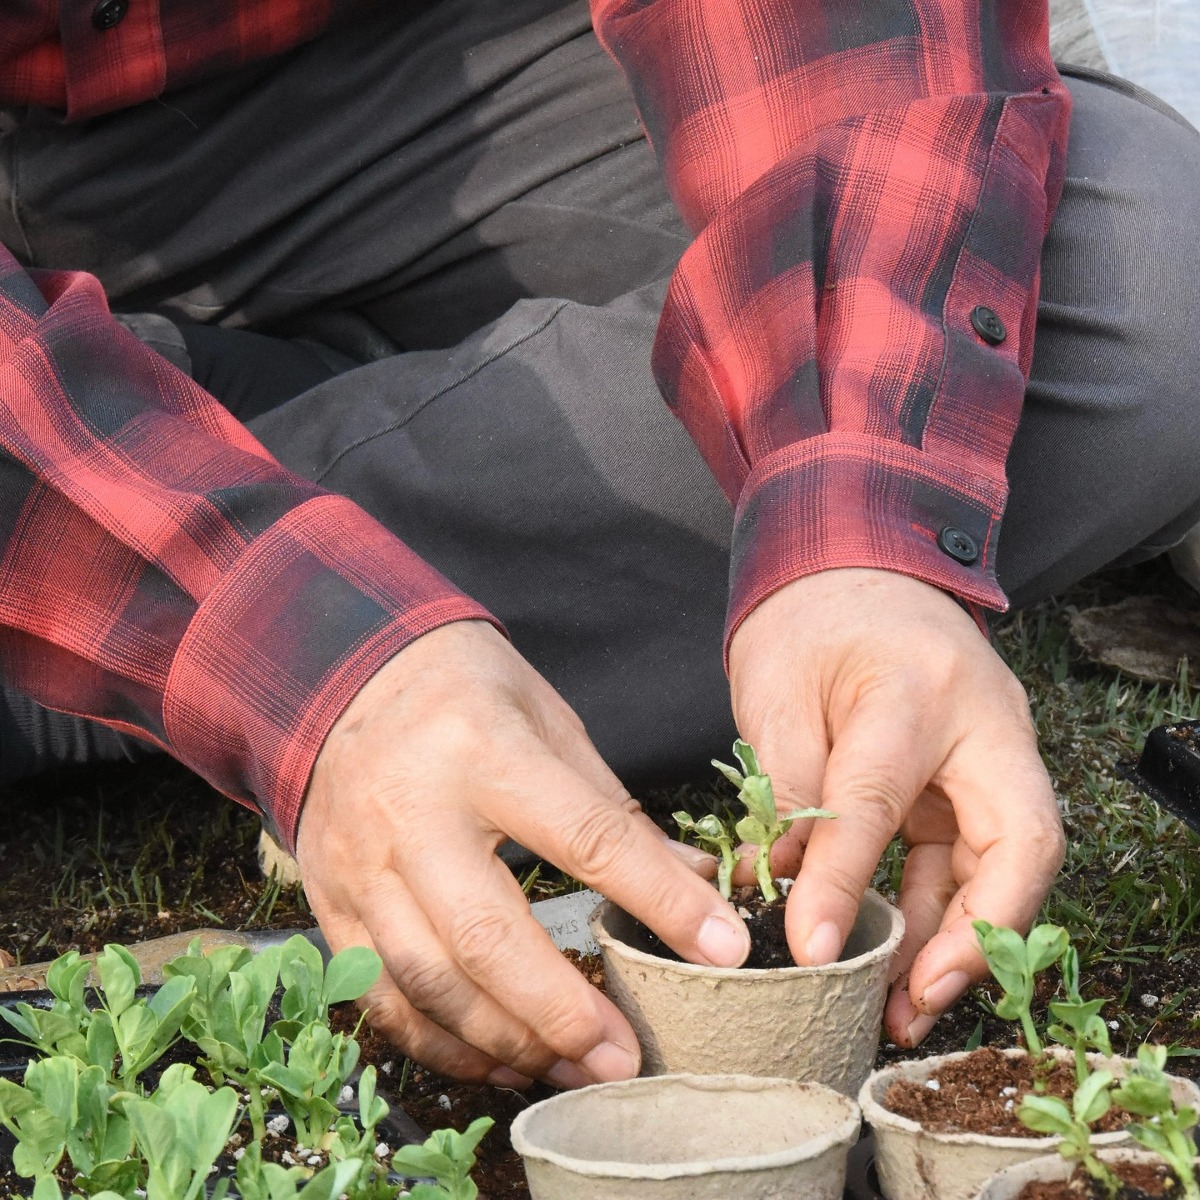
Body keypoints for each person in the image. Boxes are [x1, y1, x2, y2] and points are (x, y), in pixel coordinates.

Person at [0, 0, 1196, 1089]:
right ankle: (146, 534)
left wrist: (857, 509)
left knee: (1132, 278)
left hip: (442, 61)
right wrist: (291, 648)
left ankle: (127, 495)